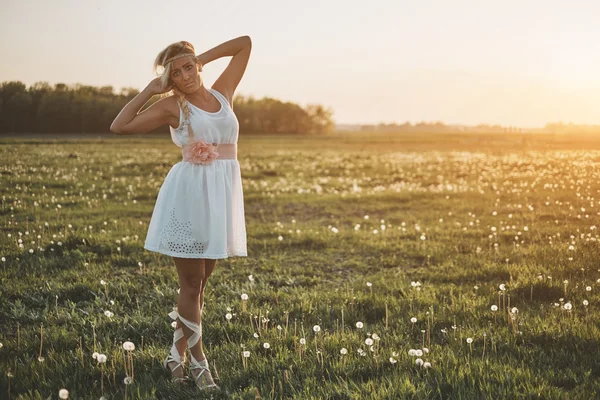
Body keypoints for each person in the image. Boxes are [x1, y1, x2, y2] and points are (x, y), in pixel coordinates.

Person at [110, 36, 252, 390]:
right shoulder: (174, 106)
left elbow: (245, 44)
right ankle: (199, 362)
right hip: (189, 195)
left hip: (220, 197)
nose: (186, 75)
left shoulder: (222, 93)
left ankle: (175, 355)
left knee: (200, 285)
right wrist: (149, 90)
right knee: (190, 283)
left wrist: (194, 57)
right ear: (169, 81)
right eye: (176, 73)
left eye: (189, 67)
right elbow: (120, 126)